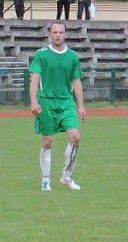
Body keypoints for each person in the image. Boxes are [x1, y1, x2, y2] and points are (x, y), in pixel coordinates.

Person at [29, 21, 86, 191]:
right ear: (50, 34)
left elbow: (76, 81)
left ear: (65, 34)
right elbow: (34, 79)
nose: (58, 35)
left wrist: (81, 105)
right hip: (46, 102)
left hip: (67, 102)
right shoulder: (42, 54)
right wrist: (34, 101)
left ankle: (67, 176)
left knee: (75, 136)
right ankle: (46, 180)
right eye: (55, 32)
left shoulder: (73, 57)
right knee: (48, 141)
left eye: (61, 32)